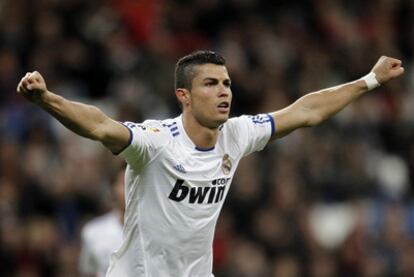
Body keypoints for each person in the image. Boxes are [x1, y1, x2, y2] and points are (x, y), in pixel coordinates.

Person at [16, 51, 404, 276]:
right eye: (211, 84)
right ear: (183, 95)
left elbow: (306, 112)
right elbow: (101, 126)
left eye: (227, 83)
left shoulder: (237, 134)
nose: (224, 92)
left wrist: (369, 80)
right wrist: (48, 100)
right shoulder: (157, 142)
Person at [78, 166, 125, 277]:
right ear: (113, 189)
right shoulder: (93, 232)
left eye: (135, 182)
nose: (130, 188)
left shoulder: (159, 230)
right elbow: (88, 272)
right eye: (124, 183)